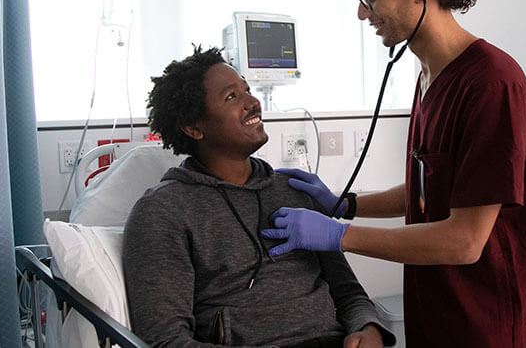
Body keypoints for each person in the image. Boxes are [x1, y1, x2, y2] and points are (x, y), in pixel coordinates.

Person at [260, 0, 526, 348]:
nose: (362, 12)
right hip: (440, 317)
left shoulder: (492, 85)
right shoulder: (426, 78)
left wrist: (340, 236)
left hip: (493, 326)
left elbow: (465, 241)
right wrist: (347, 205)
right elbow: (431, 190)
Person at [123, 46, 395, 348]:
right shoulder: (164, 212)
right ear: (193, 127)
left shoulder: (294, 191)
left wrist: (368, 328)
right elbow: (165, 340)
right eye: (232, 97)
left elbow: (349, 294)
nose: (253, 103)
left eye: (247, 90)